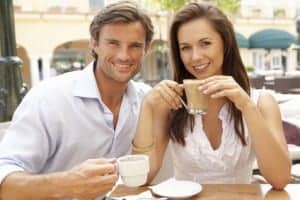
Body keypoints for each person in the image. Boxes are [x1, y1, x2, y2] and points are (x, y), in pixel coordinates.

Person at [0, 1, 153, 199]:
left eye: (134, 46)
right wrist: (68, 184)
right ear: (94, 43)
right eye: (113, 43)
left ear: (146, 49)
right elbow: (4, 182)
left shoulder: (146, 100)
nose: (123, 55)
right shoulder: (48, 98)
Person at [133, 2, 290, 189]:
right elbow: (140, 179)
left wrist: (247, 106)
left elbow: (280, 179)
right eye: (185, 48)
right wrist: (147, 105)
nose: (195, 57)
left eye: (205, 43)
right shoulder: (171, 103)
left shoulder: (261, 102)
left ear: (225, 43)